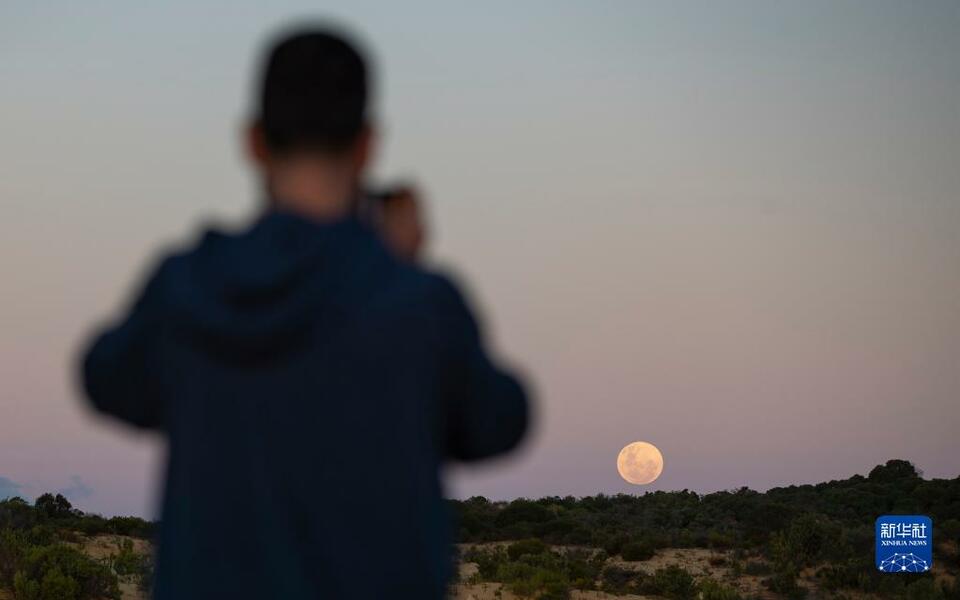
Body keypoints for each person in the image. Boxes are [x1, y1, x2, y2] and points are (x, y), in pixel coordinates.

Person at [79, 27, 529, 600]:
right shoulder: (417, 304)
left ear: (254, 142)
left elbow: (105, 378)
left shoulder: (185, 288)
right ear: (367, 144)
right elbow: (499, 419)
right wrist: (397, 266)